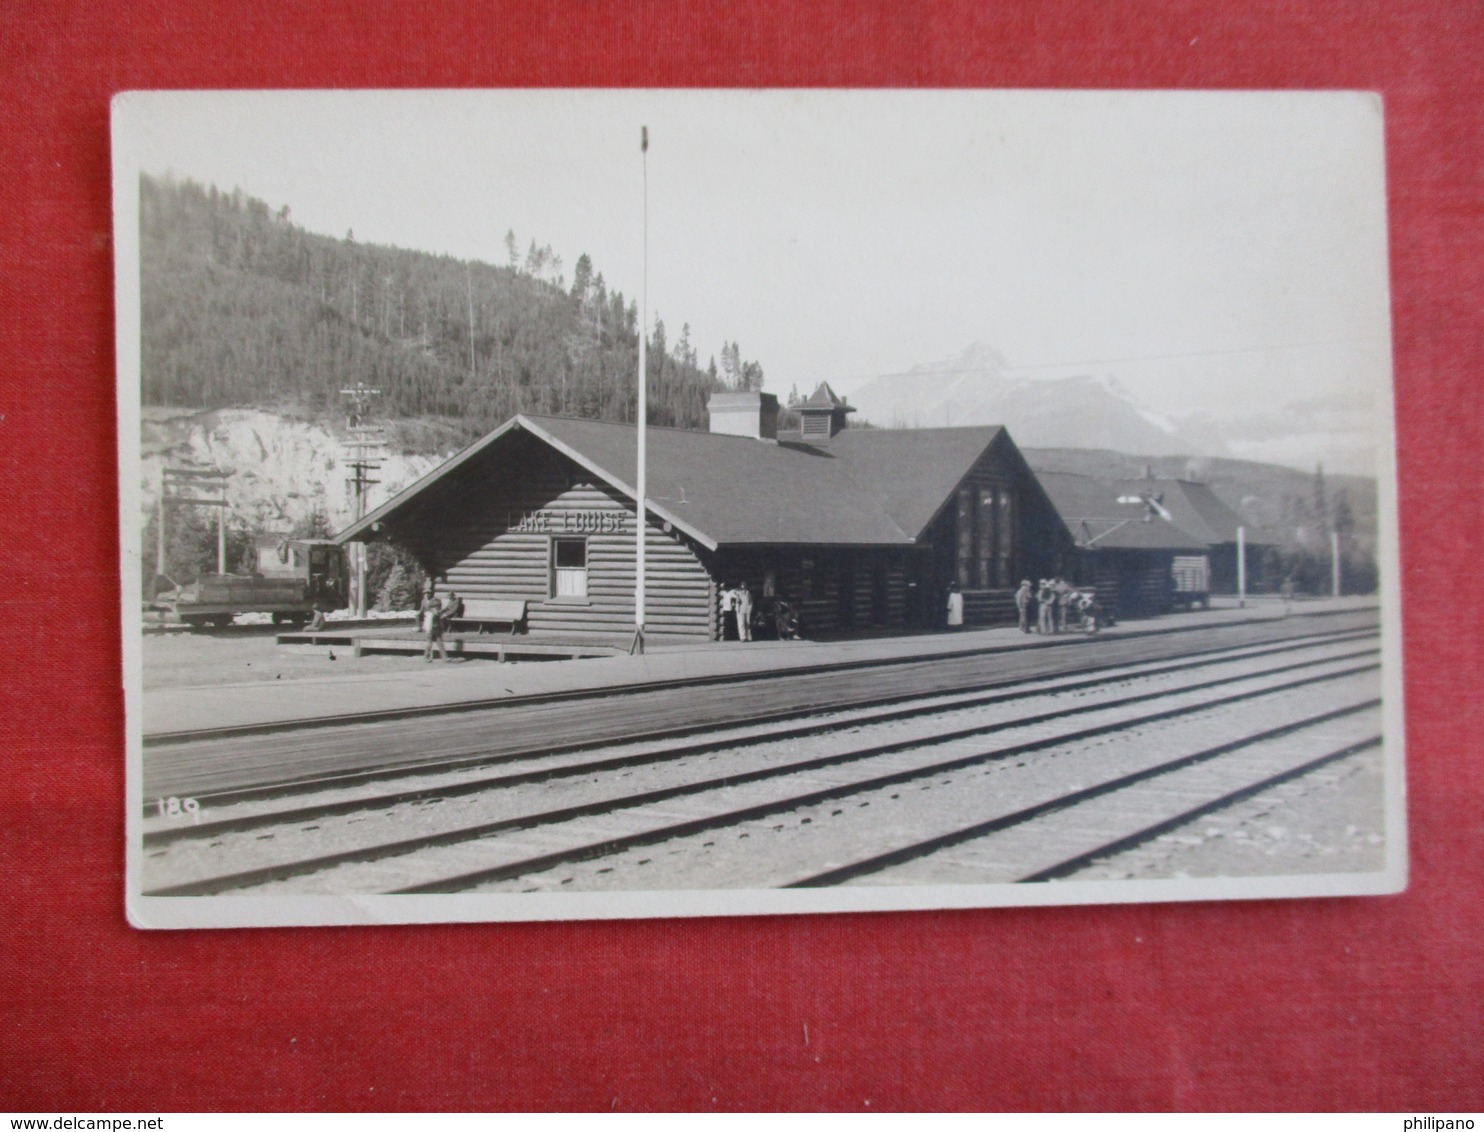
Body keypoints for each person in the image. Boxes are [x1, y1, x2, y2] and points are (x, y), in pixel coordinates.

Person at [420, 583, 447, 662]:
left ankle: (444, 658)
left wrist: (441, 627)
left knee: (440, 643)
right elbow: (427, 623)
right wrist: (427, 630)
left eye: (438, 608)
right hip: (430, 629)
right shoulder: (430, 613)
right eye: (436, 608)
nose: (438, 609)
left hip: (437, 629)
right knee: (429, 644)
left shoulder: (435, 604)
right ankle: (427, 657)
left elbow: (440, 620)